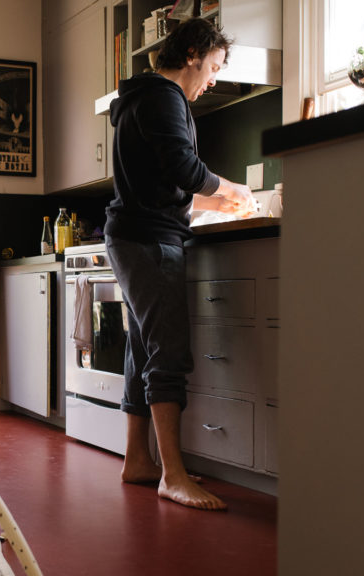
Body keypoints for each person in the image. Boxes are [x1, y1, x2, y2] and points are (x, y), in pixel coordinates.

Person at [105, 18, 257, 510]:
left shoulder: (139, 98)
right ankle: (172, 475)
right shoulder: (164, 97)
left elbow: (162, 186)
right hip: (150, 243)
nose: (213, 79)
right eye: (213, 67)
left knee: (142, 349)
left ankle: (139, 460)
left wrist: (217, 203)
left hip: (133, 233)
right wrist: (231, 188)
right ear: (193, 53)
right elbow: (185, 170)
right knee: (166, 353)